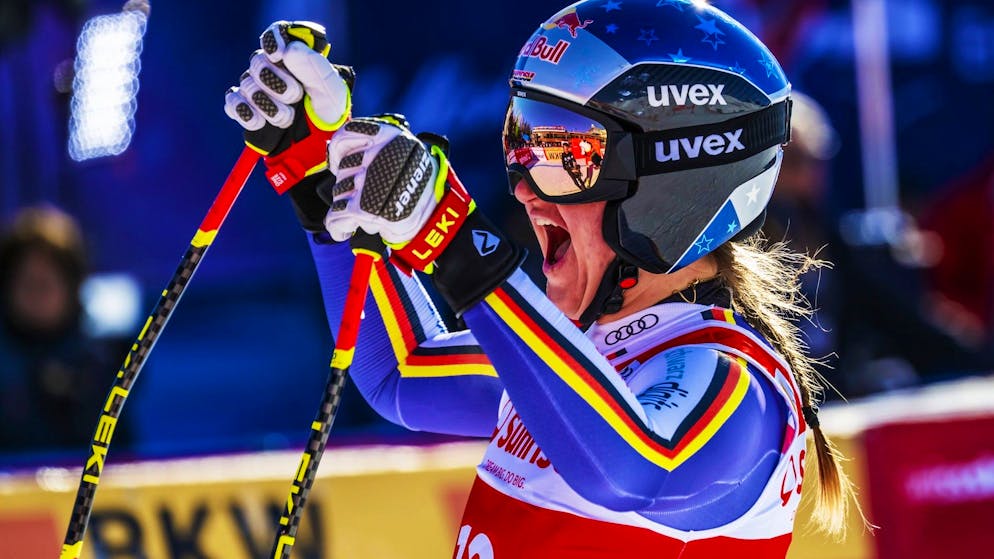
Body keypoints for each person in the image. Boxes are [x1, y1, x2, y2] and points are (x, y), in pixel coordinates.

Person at [225, 2, 855, 555]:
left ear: (671, 190)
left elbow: (633, 469)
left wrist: (455, 243)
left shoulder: (739, 384)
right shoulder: (588, 349)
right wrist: (315, 172)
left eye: (563, 155)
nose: (525, 189)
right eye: (520, 141)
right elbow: (400, 372)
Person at [0, 206, 126, 453]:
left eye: (46, 283)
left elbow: (126, 462)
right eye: (27, 282)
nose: (36, 294)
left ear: (73, 286)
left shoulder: (108, 363)